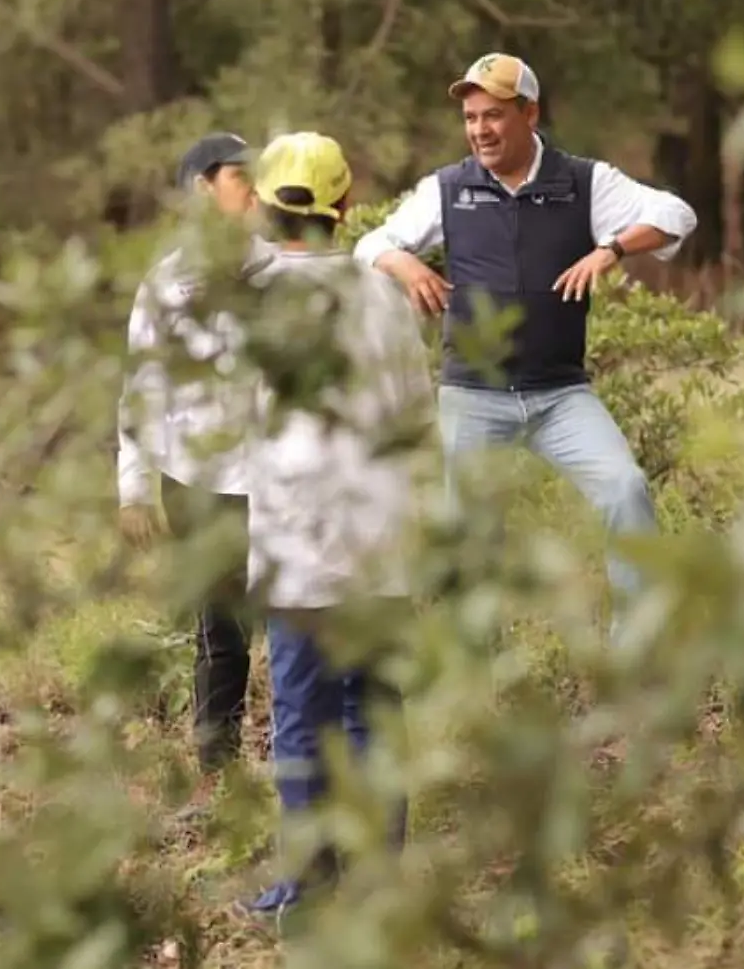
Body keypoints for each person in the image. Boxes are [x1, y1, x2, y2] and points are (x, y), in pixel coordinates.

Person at [354, 52, 698, 628]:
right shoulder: (447, 188)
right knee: (472, 543)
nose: (480, 130)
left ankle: (635, 650)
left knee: (626, 488)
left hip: (560, 395)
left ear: (529, 113)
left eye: (493, 115)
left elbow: (676, 215)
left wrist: (610, 248)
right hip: (473, 397)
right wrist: (404, 264)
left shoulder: (584, 182)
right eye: (470, 117)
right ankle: (476, 684)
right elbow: (370, 244)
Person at [236, 132, 436, 922]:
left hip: (294, 548)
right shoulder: (384, 295)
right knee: (373, 711)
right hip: (380, 542)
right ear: (345, 206)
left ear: (260, 206)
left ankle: (304, 885)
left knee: (300, 715)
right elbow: (415, 418)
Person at [116, 132, 268, 803]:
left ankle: (304, 759)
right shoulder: (166, 281)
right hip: (197, 480)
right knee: (224, 629)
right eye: (240, 176)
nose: (255, 187)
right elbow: (140, 387)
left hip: (278, 473)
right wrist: (132, 484)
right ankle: (218, 771)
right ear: (202, 188)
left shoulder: (280, 266)